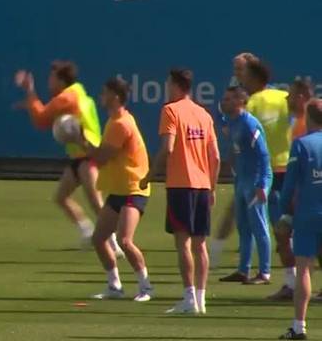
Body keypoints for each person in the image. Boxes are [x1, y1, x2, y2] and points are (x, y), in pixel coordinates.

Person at [15, 61, 121, 253]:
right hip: (80, 155)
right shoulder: (77, 92)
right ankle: (88, 232)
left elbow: (41, 120)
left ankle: (114, 242)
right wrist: (32, 105)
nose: (49, 81)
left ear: (61, 81)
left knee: (96, 202)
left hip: (88, 155)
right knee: (61, 197)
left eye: (52, 77)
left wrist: (30, 91)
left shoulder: (66, 97)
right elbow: (51, 118)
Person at [142, 69, 220, 315]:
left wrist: (149, 176)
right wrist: (212, 187)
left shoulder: (171, 111)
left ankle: (189, 298)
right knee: (200, 245)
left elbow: (168, 148)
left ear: (176, 85)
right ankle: (201, 299)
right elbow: (216, 156)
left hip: (180, 184)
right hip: (202, 185)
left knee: (183, 243)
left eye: (168, 84)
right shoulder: (203, 114)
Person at [79, 78, 154, 302]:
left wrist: (80, 140)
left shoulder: (121, 123)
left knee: (125, 241)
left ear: (116, 97)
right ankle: (114, 286)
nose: (101, 96)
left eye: (105, 92)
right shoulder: (115, 120)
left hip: (133, 188)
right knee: (99, 238)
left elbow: (102, 157)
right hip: (119, 189)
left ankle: (146, 287)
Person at [243, 61, 295, 301]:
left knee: (280, 229)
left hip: (269, 172)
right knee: (298, 227)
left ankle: (290, 282)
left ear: (254, 78)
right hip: (291, 168)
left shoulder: (253, 102)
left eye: (244, 75)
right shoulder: (283, 97)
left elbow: (248, 140)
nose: (242, 80)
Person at [217, 86, 272, 285]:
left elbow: (263, 155)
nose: (224, 102)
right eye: (224, 98)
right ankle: (243, 269)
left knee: (259, 225)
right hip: (241, 179)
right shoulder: (232, 121)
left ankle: (264, 272)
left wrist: (262, 183)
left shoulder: (249, 124)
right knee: (243, 226)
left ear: (240, 102)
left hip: (255, 180)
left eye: (229, 99)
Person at [278, 99, 322, 340]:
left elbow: (289, 184)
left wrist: (284, 212)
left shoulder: (301, 144)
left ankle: (298, 326)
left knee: (304, 268)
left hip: (308, 214)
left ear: (308, 117)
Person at [211, 52, 259, 266]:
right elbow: (222, 110)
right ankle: (216, 252)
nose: (236, 72)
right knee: (237, 207)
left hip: (264, 161)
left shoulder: (260, 93)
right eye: (235, 68)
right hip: (244, 158)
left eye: (240, 68)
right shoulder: (234, 89)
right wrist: (226, 127)